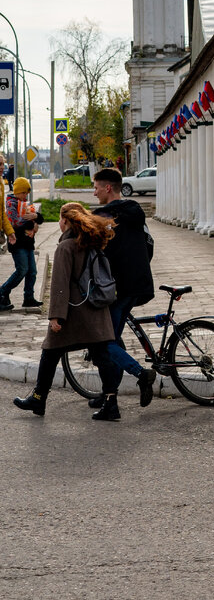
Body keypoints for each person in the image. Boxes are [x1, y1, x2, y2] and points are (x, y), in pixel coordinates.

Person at [13, 202, 123, 420]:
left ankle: (38, 397)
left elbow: (60, 285)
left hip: (74, 312)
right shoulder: (93, 241)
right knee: (102, 356)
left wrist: (56, 316)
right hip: (96, 309)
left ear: (64, 221)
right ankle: (111, 402)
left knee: (50, 351)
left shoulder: (66, 246)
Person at [90, 167, 156, 408]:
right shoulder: (135, 211)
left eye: (96, 187)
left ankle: (141, 374)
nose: (94, 191)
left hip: (117, 289)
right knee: (114, 339)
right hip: (137, 283)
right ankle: (109, 393)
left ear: (108, 188)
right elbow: (149, 244)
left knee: (105, 341)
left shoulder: (102, 217)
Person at [0, 177, 44, 311]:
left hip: (28, 243)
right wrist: (32, 222)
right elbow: (15, 223)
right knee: (22, 270)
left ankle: (28, 297)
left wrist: (35, 217)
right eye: (24, 193)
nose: (26, 196)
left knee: (32, 272)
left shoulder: (25, 204)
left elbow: (40, 218)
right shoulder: (11, 204)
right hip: (17, 243)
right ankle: (3, 290)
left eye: (27, 193)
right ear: (17, 192)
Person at [0, 155, 16, 255]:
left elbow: (2, 213)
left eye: (2, 164)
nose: (2, 167)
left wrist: (10, 232)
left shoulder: (1, 184)